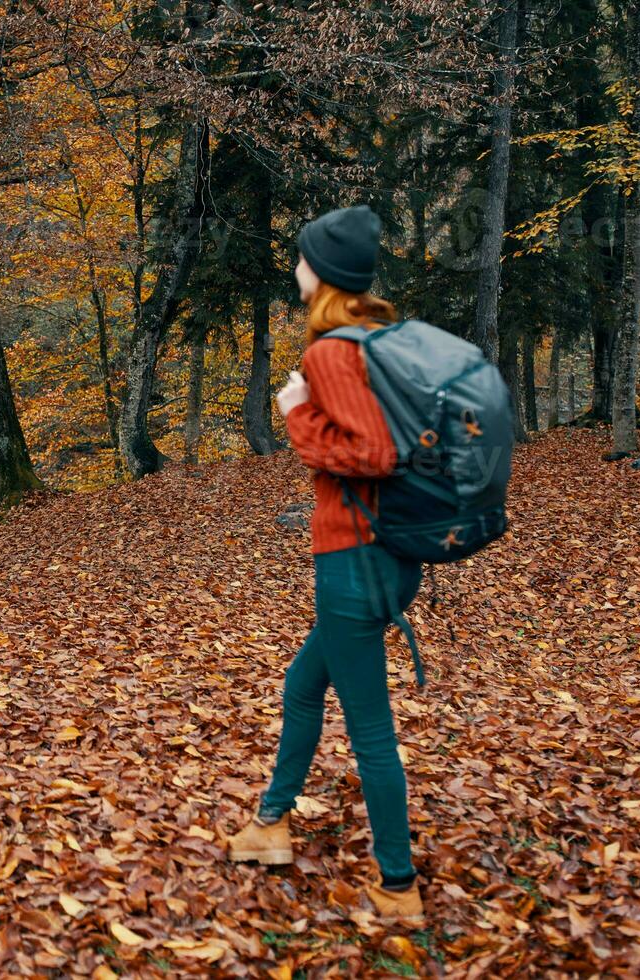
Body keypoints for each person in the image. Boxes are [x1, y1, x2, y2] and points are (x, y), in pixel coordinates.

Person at [226, 205, 426, 924]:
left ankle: (398, 888)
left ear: (326, 272)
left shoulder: (333, 353)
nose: (296, 266)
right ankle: (271, 825)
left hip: (354, 560)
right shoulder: (376, 340)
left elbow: (372, 453)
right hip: (390, 557)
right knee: (301, 686)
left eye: (303, 256)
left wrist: (295, 410)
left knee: (371, 731)